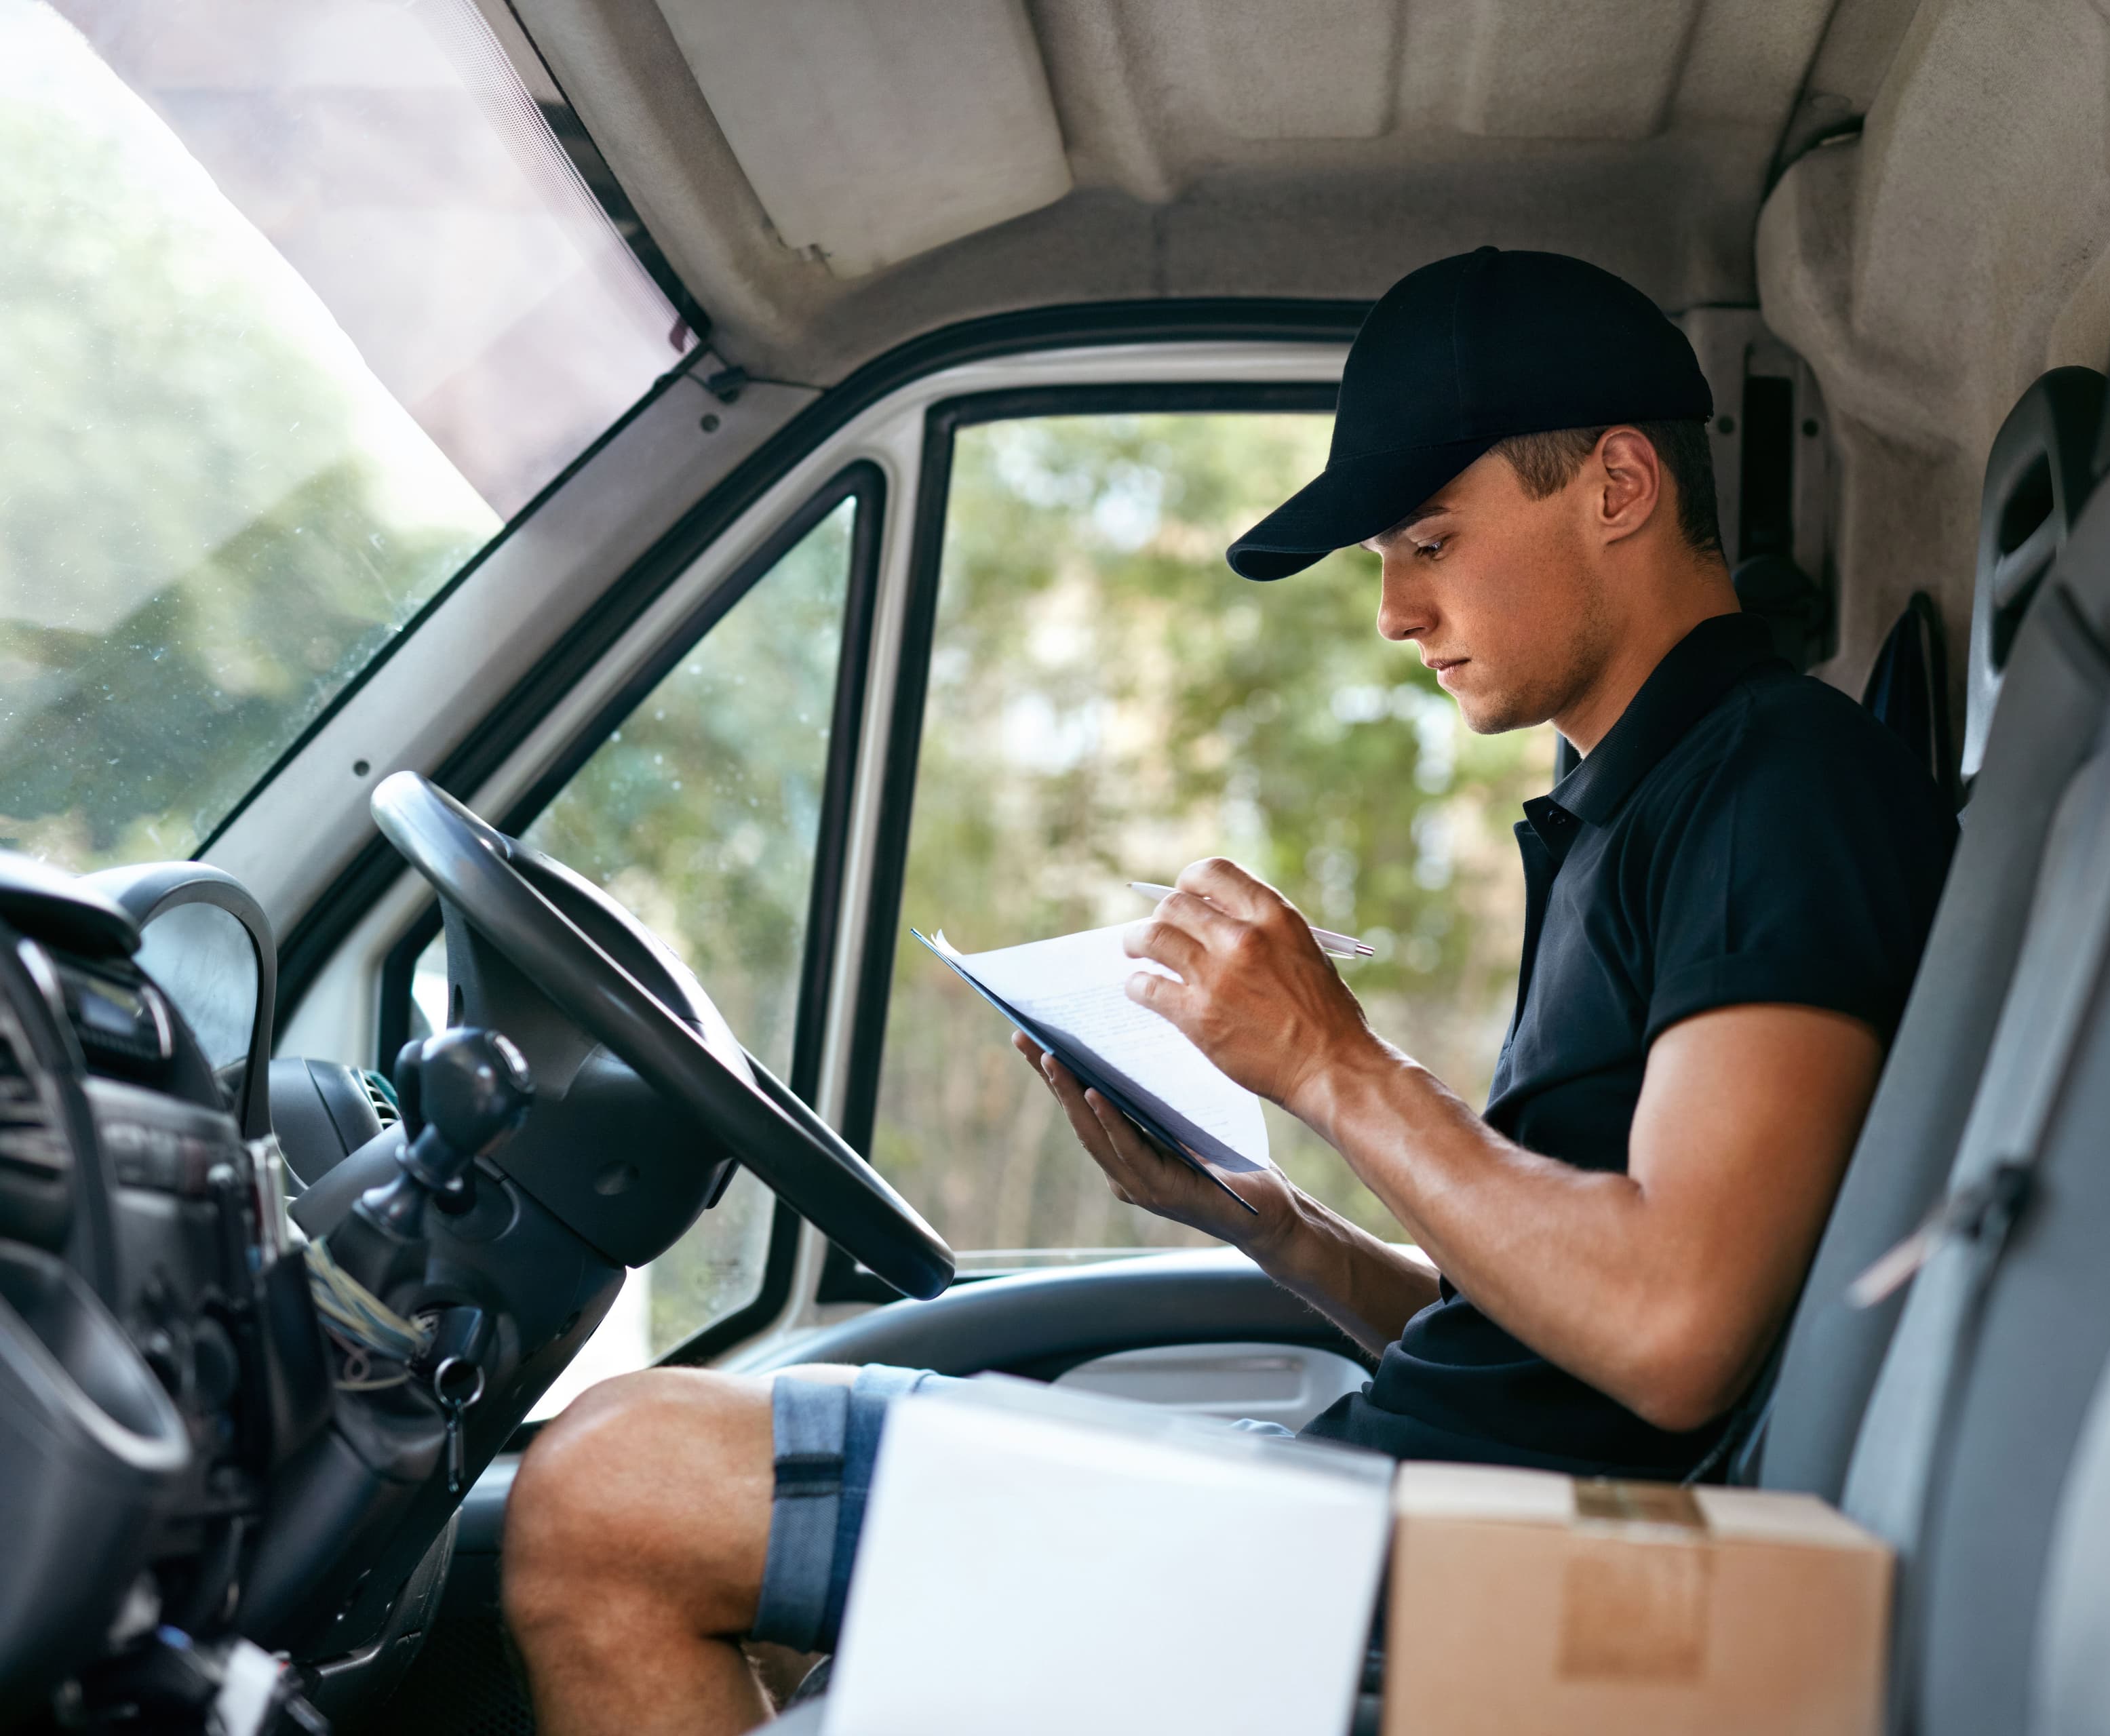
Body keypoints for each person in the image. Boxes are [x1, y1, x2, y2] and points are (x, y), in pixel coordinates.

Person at [500, 248, 1958, 1736]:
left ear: (1618, 485)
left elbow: (1674, 1328)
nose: (1394, 609)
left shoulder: (1777, 780)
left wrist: (1332, 1062)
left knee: (610, 1485)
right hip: (1387, 1522)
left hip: (1448, 1584)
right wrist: (1273, 1225)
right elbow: (1544, 1352)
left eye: (1432, 541)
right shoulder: (1620, 807)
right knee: (656, 1490)